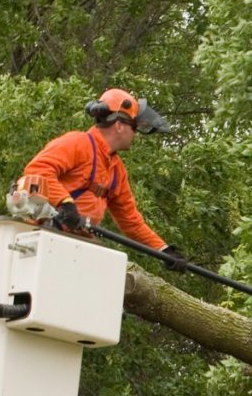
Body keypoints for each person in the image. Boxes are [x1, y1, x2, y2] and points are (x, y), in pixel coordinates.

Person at [18, 88, 187, 270]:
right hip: (48, 235)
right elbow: (37, 170)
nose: (135, 134)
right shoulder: (78, 143)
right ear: (119, 125)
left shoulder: (117, 170)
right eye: (134, 127)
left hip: (79, 243)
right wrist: (65, 203)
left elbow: (130, 220)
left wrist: (163, 250)